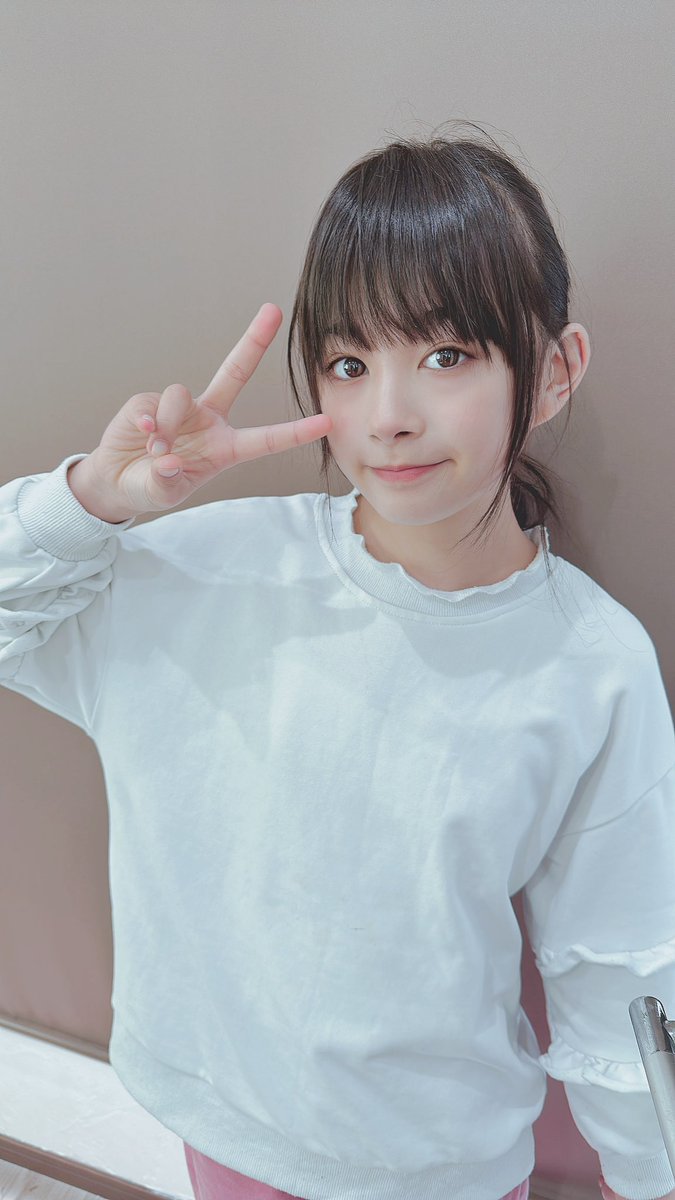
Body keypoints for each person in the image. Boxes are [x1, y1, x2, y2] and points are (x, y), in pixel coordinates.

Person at [1, 122, 674, 1200]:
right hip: (220, 1123)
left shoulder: (592, 668)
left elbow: (622, 982)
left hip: (437, 1172)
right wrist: (90, 504)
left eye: (447, 356)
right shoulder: (215, 570)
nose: (389, 418)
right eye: (350, 365)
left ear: (554, 371)